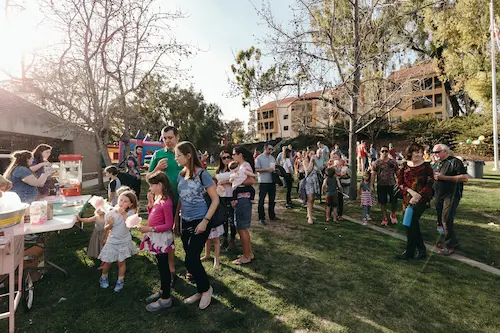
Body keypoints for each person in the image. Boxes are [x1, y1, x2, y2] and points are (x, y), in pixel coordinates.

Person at [175, 141, 218, 309]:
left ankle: (207, 290)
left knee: (191, 258)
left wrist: (205, 221)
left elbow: (215, 200)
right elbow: (181, 198)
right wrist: (176, 219)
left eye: (178, 155)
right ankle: (200, 290)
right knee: (190, 260)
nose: (176, 158)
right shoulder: (181, 174)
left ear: (188, 155)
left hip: (201, 220)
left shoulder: (203, 175)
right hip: (185, 220)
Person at [147, 126, 183, 285]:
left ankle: (190, 267)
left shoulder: (181, 154)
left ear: (177, 137)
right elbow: (148, 177)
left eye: (170, 137)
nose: (167, 141)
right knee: (166, 234)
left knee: (181, 234)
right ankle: (170, 268)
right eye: (165, 138)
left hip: (182, 200)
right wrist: (157, 168)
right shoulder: (158, 155)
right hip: (162, 201)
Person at [138, 171, 175, 311]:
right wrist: (150, 203)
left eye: (152, 186)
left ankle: (166, 298)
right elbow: (154, 213)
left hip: (162, 239)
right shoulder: (159, 198)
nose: (150, 189)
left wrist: (150, 229)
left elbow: (168, 224)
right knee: (160, 266)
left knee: (164, 268)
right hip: (156, 237)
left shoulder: (167, 202)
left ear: (160, 185)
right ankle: (162, 289)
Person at [395, 143, 434, 260]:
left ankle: (410, 251)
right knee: (409, 224)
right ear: (410, 153)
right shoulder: (404, 166)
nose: (419, 154)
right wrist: (411, 193)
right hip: (408, 198)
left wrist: (419, 195)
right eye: (416, 152)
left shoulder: (427, 167)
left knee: (411, 222)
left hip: (421, 199)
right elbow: (400, 183)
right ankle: (420, 250)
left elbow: (430, 183)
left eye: (420, 152)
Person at [98, 190, 139, 292]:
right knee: (107, 262)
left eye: (125, 201)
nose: (122, 202)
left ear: (130, 204)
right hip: (112, 241)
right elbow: (106, 228)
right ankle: (103, 277)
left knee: (121, 262)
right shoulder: (111, 213)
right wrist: (110, 224)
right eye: (121, 199)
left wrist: (124, 214)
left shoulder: (131, 213)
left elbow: (130, 225)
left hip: (124, 242)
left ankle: (120, 280)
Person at [432, 144, 468, 256]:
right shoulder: (437, 164)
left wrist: (444, 178)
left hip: (451, 195)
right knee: (440, 220)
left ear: (445, 151)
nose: (435, 154)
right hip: (438, 195)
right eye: (433, 152)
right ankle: (451, 241)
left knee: (446, 219)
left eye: (437, 152)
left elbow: (464, 177)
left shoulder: (455, 162)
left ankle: (449, 246)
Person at [231, 146, 255, 265]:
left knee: (241, 228)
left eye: (234, 154)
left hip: (243, 200)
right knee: (243, 229)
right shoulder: (241, 166)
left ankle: (246, 256)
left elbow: (251, 181)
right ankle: (248, 253)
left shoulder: (245, 166)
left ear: (240, 155)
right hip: (242, 199)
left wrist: (236, 182)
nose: (232, 156)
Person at [215, 150, 237, 250]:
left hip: (231, 195)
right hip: (221, 196)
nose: (227, 159)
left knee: (231, 219)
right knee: (223, 219)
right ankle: (224, 239)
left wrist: (224, 181)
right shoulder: (219, 170)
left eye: (228, 157)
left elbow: (237, 179)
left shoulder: (234, 168)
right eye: (224, 158)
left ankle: (232, 240)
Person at [371, 146, 399, 226]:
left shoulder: (393, 162)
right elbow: (373, 174)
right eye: (383, 151)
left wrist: (400, 182)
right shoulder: (376, 163)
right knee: (383, 202)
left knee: (394, 201)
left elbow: (397, 173)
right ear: (380, 152)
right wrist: (371, 185)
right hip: (381, 185)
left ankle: (392, 214)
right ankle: (384, 218)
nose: (384, 153)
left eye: (386, 151)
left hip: (392, 184)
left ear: (388, 152)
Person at [255, 143, 279, 225]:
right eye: (269, 149)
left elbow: (274, 167)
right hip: (263, 181)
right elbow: (257, 169)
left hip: (271, 181)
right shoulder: (259, 158)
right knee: (261, 200)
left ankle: (272, 215)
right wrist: (266, 169)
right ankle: (261, 217)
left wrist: (275, 170)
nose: (271, 151)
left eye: (272, 149)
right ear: (265, 148)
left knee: (272, 200)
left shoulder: (272, 157)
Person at [302, 150, 320, 224]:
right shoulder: (305, 162)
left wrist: (315, 162)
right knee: (310, 198)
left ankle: (309, 214)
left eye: (314, 153)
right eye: (311, 154)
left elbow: (318, 170)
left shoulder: (314, 161)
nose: (313, 155)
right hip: (308, 182)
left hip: (314, 182)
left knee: (313, 199)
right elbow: (307, 170)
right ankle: (309, 217)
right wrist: (311, 162)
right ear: (308, 154)